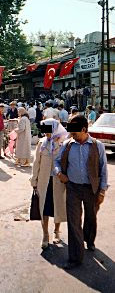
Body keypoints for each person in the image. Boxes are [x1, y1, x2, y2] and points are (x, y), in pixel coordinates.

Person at [54, 115, 108, 270]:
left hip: (92, 189)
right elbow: (57, 161)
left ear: (84, 129)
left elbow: (103, 170)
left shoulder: (98, 146)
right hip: (73, 188)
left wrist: (102, 191)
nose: (71, 134)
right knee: (74, 222)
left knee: (91, 217)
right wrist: (59, 173)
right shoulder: (67, 145)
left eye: (74, 130)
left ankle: (89, 240)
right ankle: (75, 257)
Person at [31, 119, 68, 249]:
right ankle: (45, 235)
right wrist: (34, 180)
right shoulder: (41, 144)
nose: (46, 133)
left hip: (58, 182)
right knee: (44, 209)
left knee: (58, 207)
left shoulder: (63, 144)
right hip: (44, 182)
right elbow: (36, 163)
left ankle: (57, 231)